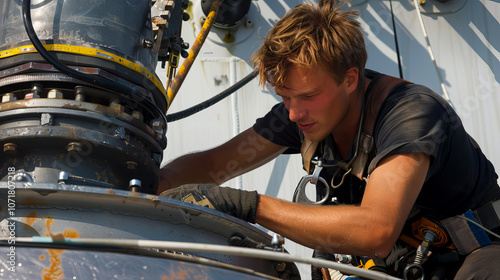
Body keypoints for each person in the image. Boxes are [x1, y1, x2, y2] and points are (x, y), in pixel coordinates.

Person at [158, 0, 500, 279]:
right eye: (284, 97)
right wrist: (147, 186)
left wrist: (248, 205)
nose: (293, 113)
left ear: (350, 79)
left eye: (307, 96)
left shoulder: (411, 116)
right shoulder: (305, 115)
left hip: (475, 255)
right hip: (406, 263)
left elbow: (376, 231)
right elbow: (214, 165)